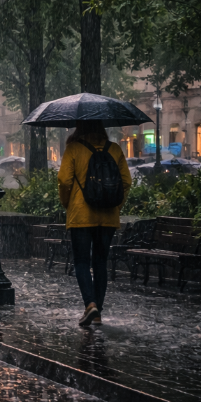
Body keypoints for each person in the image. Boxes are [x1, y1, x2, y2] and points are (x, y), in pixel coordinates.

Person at [58, 120, 132, 327]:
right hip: (108, 217)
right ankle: (98, 311)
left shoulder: (74, 149)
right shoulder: (114, 149)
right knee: (100, 263)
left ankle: (90, 304)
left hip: (81, 215)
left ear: (79, 127)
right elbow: (126, 182)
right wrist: (116, 206)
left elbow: (64, 180)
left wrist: (68, 203)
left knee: (82, 262)